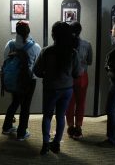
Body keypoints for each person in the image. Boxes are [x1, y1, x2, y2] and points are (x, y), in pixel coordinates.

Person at [33, 21, 81, 155]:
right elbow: (77, 73)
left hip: (51, 89)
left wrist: (47, 74)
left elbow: (36, 71)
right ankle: (57, 144)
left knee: (47, 116)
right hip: (67, 89)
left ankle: (45, 144)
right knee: (61, 116)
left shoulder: (46, 51)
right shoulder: (73, 52)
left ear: (53, 35)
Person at [1, 20, 41, 141]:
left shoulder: (10, 44)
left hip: (14, 79)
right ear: (28, 31)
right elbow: (37, 65)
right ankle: (21, 133)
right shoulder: (35, 46)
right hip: (28, 80)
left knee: (15, 102)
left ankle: (7, 127)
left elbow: (5, 60)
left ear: (16, 31)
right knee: (25, 106)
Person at [66, 21, 93, 139]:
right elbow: (90, 61)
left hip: (69, 77)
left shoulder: (66, 44)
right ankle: (78, 127)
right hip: (82, 77)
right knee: (81, 103)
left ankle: (70, 127)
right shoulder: (87, 45)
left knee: (69, 103)